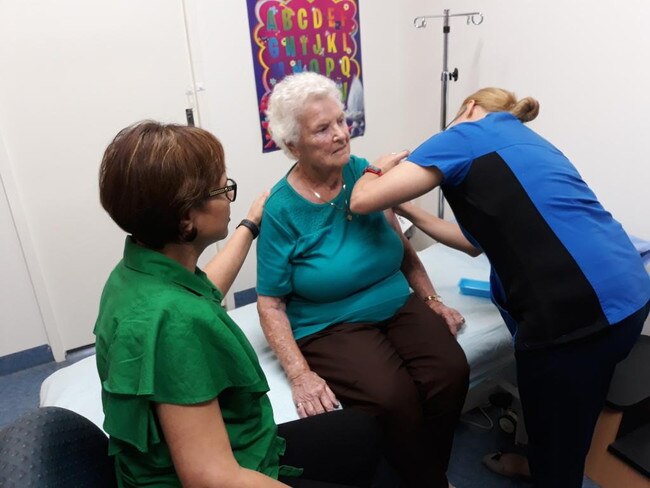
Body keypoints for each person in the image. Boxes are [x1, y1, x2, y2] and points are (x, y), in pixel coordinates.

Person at [350, 87, 650, 488]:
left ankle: (552, 473)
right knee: (579, 409)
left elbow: (361, 201)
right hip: (631, 294)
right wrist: (407, 208)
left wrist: (375, 169)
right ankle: (544, 463)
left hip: (575, 316)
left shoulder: (462, 136)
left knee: (553, 423)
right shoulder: (525, 141)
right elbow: (474, 244)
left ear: (469, 107)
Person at [95, 121, 381, 488]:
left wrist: (249, 223)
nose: (228, 195)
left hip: (231, 448)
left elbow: (202, 289)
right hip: (215, 473)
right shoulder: (173, 323)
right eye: (222, 188)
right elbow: (211, 477)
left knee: (360, 431)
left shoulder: (136, 272)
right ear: (186, 219)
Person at [256, 71, 469, 488]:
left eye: (340, 120)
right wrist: (300, 373)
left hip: (395, 301)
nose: (340, 134)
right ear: (291, 145)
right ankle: (430, 481)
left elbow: (403, 250)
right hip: (330, 323)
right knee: (393, 396)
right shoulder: (281, 209)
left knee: (450, 371)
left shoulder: (364, 174)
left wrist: (431, 300)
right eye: (323, 128)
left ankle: (423, 471)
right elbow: (270, 302)